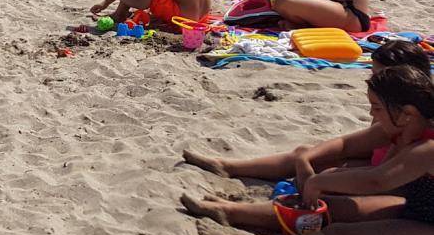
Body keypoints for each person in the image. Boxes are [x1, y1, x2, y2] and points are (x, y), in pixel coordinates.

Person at [189, 66, 434, 235]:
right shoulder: (403, 126)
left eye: (377, 108)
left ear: (407, 113)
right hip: (416, 208)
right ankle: (229, 211)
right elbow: (346, 145)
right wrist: (305, 159)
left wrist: (318, 181)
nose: (372, 114)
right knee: (330, 208)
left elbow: (377, 180)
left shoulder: (427, 148)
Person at [183, 39, 431, 179]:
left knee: (327, 171)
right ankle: (229, 167)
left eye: (380, 75)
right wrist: (307, 157)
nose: (374, 80)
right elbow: (349, 143)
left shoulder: (409, 119)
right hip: (376, 162)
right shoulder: (393, 109)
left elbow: (385, 175)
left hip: (393, 176)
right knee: (306, 154)